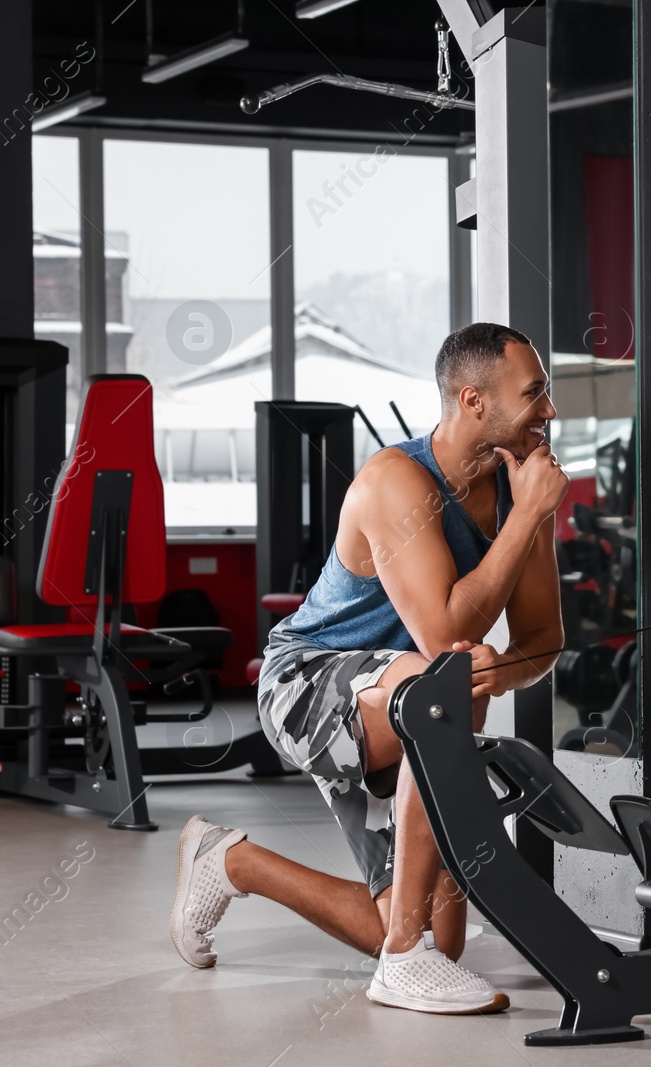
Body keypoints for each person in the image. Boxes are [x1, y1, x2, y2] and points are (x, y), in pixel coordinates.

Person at [168, 323, 570, 1015]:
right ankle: (402, 962)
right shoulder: (395, 481)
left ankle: (229, 862)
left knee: (443, 938)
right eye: (534, 393)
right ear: (474, 400)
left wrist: (495, 674)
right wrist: (529, 515)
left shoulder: (512, 492)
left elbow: (543, 639)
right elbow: (446, 632)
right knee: (441, 682)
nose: (550, 411)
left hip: (402, 705)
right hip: (305, 686)